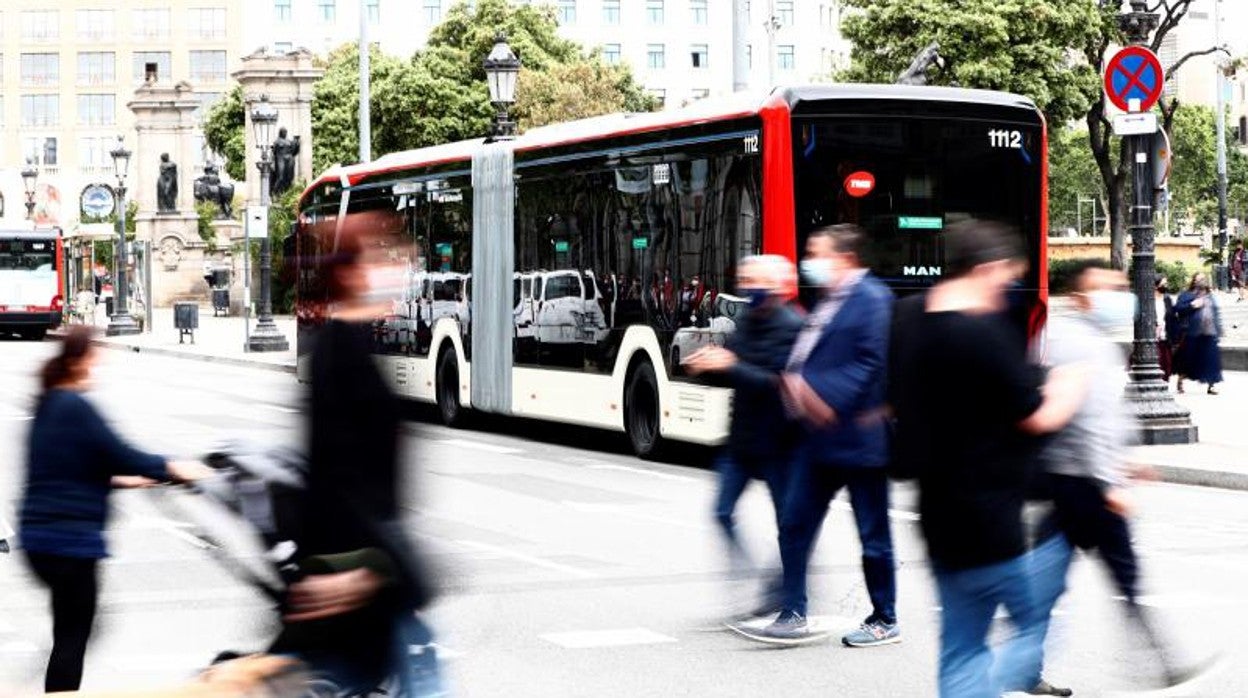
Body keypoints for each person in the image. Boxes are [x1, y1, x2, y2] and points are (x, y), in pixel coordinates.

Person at [893, 220, 1087, 698]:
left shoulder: (907, 316)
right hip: (990, 518)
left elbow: (890, 400)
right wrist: (1069, 386)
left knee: (960, 645)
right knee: (1033, 627)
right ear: (986, 268)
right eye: (1004, 278)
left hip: (936, 514)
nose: (1005, 291)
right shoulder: (984, 333)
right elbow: (1035, 417)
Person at [1022, 260, 1212, 694]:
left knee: (1050, 581)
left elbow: (1102, 418)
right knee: (1121, 575)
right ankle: (1161, 661)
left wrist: (1124, 463)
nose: (1120, 296)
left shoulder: (1081, 337)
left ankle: (1025, 665)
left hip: (1073, 478)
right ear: (1082, 297)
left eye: (1121, 287)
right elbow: (1085, 421)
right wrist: (1110, 483)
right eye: (1108, 288)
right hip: (1084, 484)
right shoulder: (1080, 343)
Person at [270, 231, 440, 696]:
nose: (395, 271)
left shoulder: (350, 345)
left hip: (368, 579)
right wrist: (362, 570)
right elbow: (335, 473)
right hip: (357, 578)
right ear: (349, 274)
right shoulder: (338, 352)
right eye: (380, 261)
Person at [732, 224, 898, 649]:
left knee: (873, 535)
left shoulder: (873, 299)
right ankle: (792, 612)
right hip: (816, 438)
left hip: (858, 437)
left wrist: (820, 396)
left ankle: (884, 617)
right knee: (794, 524)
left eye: (817, 252)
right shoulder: (829, 301)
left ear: (843, 257)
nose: (810, 260)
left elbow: (870, 362)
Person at [20, 327, 212, 693]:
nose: (96, 367)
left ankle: (56, 684)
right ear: (80, 361)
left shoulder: (48, 404)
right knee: (74, 635)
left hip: (42, 541)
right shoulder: (74, 406)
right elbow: (120, 452)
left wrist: (127, 481)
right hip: (67, 542)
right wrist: (173, 467)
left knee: (72, 630)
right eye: (94, 359)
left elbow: (69, 465)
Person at [683, 255, 804, 620]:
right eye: (745, 279)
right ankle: (755, 576)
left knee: (789, 524)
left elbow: (778, 385)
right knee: (721, 512)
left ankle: (787, 590)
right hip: (741, 441)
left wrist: (731, 365)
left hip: (779, 443)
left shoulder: (793, 326)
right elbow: (733, 370)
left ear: (776, 285)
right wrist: (704, 367)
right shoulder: (747, 321)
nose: (748, 285)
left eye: (754, 279)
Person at [1173, 272, 1223, 395]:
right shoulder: (1187, 295)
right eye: (1199, 279)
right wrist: (1192, 305)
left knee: (1211, 360)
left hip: (1209, 333)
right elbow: (1178, 309)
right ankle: (1181, 380)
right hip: (1192, 333)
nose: (1202, 281)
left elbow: (1216, 314)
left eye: (1203, 279)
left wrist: (1219, 330)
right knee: (1189, 360)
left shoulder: (1210, 296)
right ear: (1194, 281)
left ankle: (1211, 385)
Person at [1154, 275, 1175, 382]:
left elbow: (1172, 315)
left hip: (1165, 336)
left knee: (1167, 364)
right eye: (1163, 284)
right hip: (1153, 338)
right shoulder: (1148, 299)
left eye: (1166, 284)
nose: (1166, 286)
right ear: (1155, 285)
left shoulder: (1167, 299)